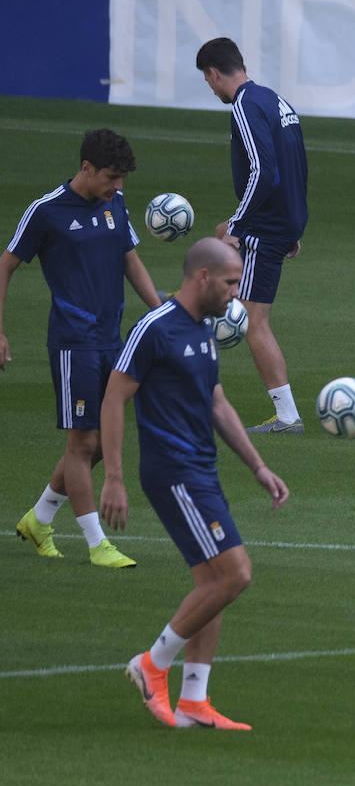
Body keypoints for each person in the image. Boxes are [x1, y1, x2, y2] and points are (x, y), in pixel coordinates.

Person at [102, 237, 289, 729]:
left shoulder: (205, 329)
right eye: (230, 282)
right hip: (173, 473)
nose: (236, 292)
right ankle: (152, 664)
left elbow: (217, 403)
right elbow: (113, 399)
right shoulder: (155, 328)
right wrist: (114, 479)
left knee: (213, 585)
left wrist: (258, 466)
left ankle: (194, 702)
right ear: (203, 276)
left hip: (201, 469)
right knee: (235, 575)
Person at [3, 129, 161, 569]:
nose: (118, 187)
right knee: (84, 441)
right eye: (112, 177)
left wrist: (163, 312)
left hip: (115, 340)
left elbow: (131, 259)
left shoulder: (115, 204)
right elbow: (6, 264)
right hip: (74, 343)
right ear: (86, 168)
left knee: (93, 444)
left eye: (123, 179)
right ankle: (97, 545)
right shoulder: (47, 211)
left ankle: (39, 519)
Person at [195, 36, 310, 434]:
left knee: (251, 321)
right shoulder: (276, 100)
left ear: (213, 73)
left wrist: (238, 226)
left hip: (264, 228)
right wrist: (293, 223)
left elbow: (264, 170)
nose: (211, 89)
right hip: (280, 224)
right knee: (223, 303)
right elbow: (296, 163)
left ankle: (287, 416)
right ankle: (191, 387)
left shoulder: (244, 105)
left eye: (207, 81)